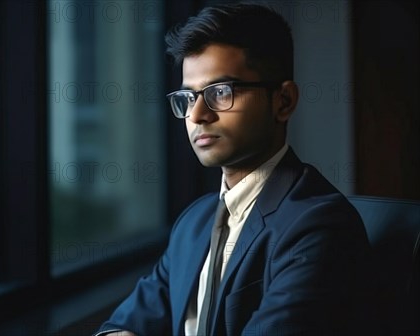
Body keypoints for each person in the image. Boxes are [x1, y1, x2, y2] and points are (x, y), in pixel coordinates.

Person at [95, 3, 373, 336]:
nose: (197, 115)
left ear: (283, 102)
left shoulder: (318, 225)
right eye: (188, 96)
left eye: (220, 92)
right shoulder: (194, 222)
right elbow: (123, 326)